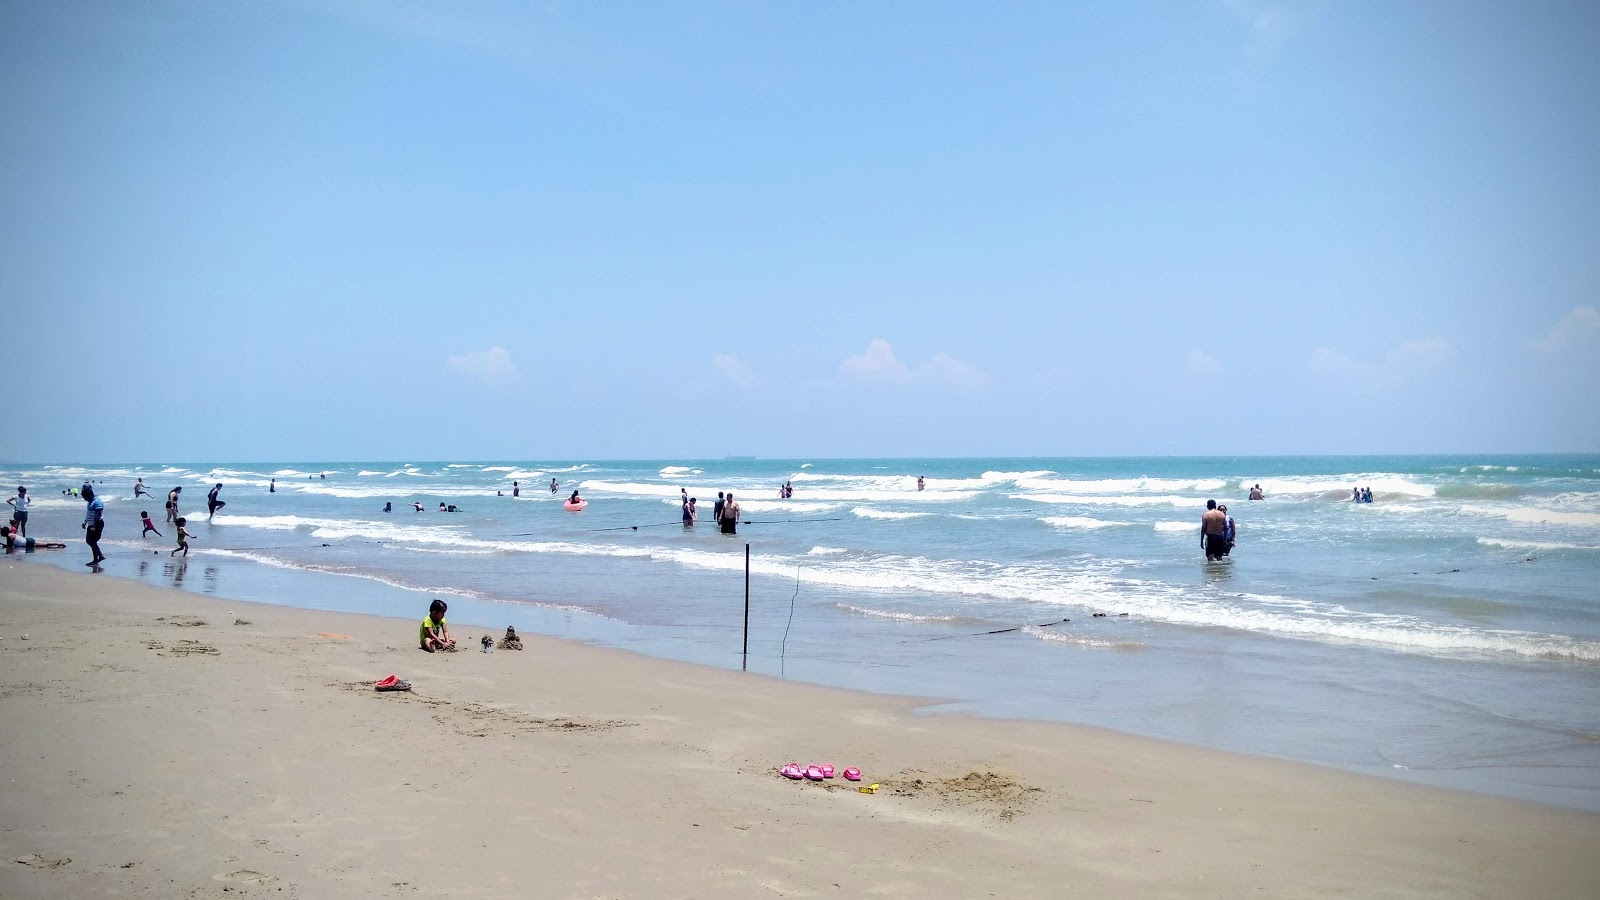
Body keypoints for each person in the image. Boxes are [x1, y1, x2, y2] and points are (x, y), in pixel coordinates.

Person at [82, 484, 106, 565]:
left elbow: (97, 515)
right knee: (90, 541)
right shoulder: (90, 501)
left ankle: (96, 559)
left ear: (90, 495)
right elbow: (89, 513)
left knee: (92, 541)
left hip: (97, 524)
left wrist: (93, 526)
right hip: (91, 523)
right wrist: (85, 521)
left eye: (85, 498)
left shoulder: (97, 501)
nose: (85, 499)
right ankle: (99, 556)